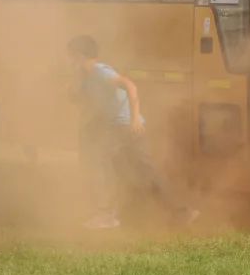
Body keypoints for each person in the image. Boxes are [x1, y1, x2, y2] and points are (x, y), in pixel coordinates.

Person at [68, 34, 198, 230]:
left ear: (79, 55)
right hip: (119, 128)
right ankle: (181, 212)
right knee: (142, 171)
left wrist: (135, 118)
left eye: (71, 56)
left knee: (102, 164)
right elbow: (80, 99)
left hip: (125, 128)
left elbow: (130, 86)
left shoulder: (100, 71)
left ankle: (107, 215)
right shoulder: (87, 77)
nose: (69, 61)